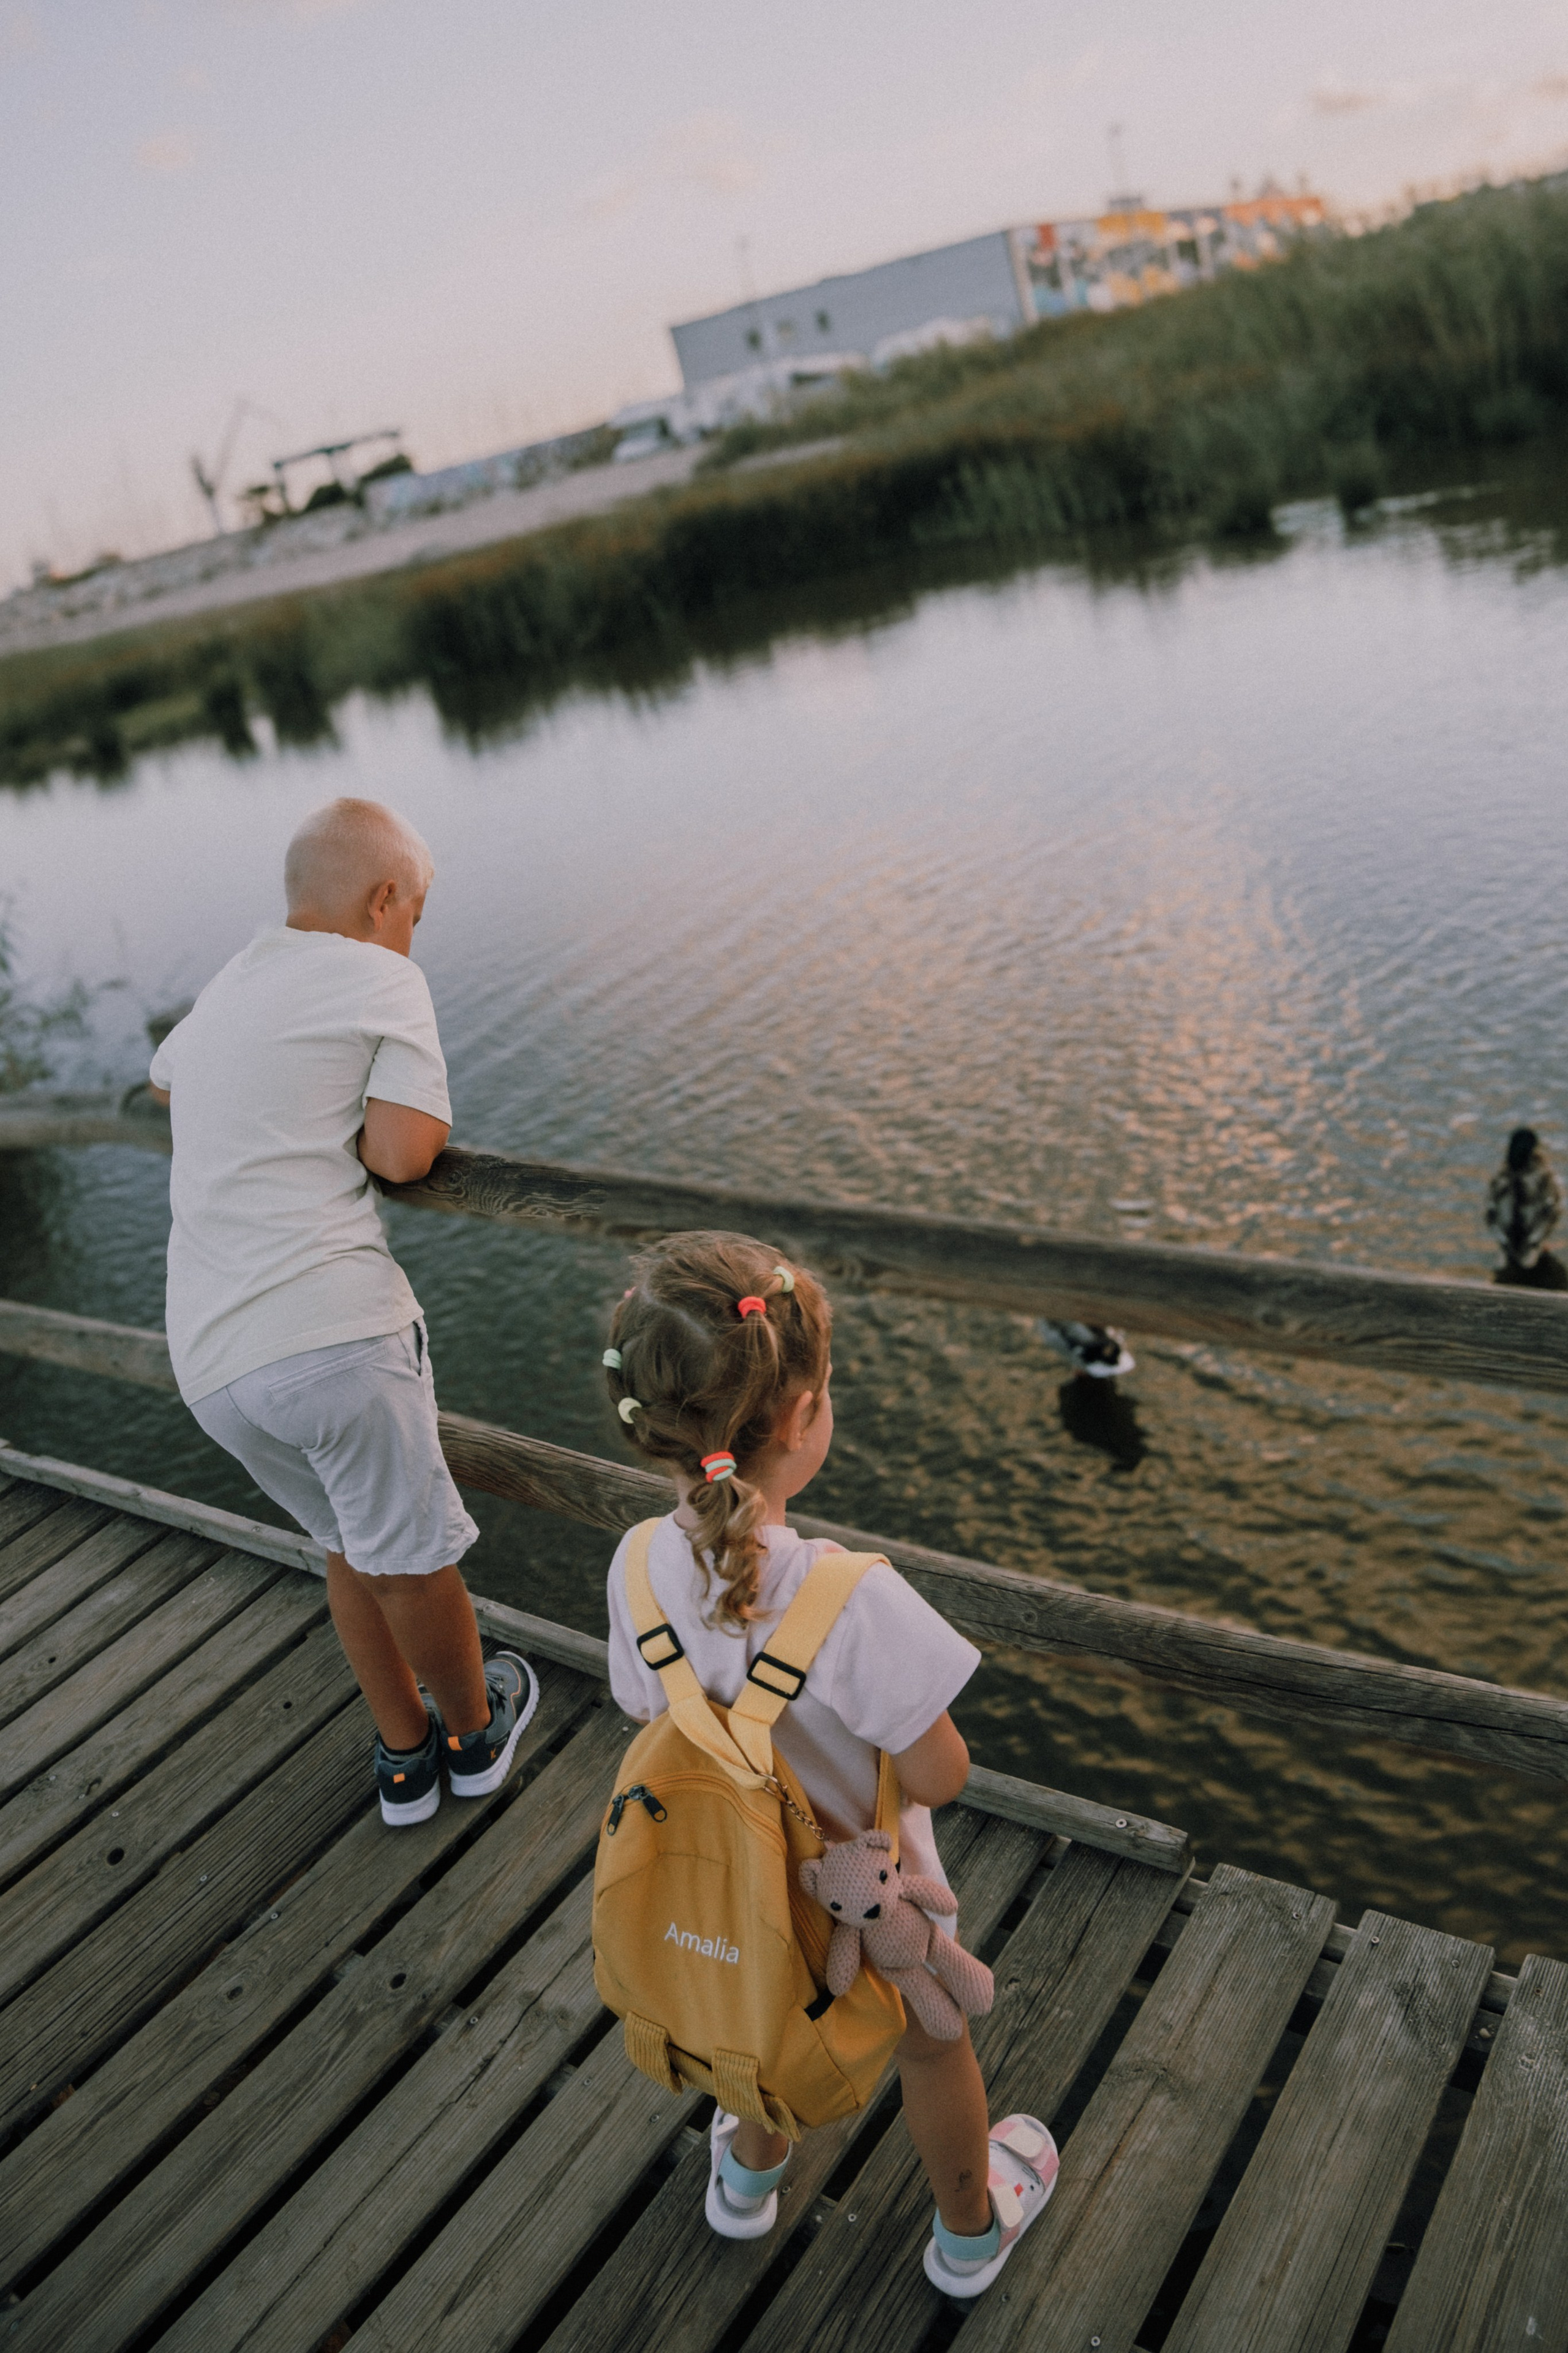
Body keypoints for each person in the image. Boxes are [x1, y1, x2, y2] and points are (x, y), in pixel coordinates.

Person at [602, 1231, 1056, 2298]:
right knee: (933, 2046)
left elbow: (643, 1707)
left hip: (734, 1895)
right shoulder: (850, 1597)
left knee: (764, 2017)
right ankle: (966, 2237)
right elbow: (942, 1776)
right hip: (872, 1907)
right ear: (804, 1420)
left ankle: (746, 2188)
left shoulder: (633, 1566)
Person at [147, 797, 535, 1827]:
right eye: (417, 913)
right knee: (411, 1559)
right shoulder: (383, 976)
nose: (416, 935)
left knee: (348, 1544)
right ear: (384, 901)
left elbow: (169, 1087)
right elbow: (401, 1153)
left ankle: (403, 1760)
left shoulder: (236, 977)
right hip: (329, 1336)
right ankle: (473, 1736)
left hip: (212, 1362)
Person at [1486, 1127, 1567, 1290]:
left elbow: (1492, 1214)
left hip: (1511, 1244)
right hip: (1531, 1245)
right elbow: (1550, 1211)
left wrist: (1506, 1244)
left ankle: (1517, 1255)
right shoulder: (1545, 1177)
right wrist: (1535, 1241)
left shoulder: (1500, 1178)